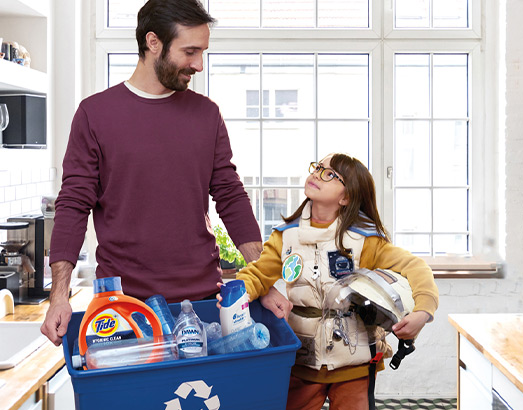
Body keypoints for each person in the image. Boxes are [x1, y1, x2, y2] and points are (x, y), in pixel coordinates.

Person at [40, 0, 290, 347]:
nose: (198, 65)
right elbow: (72, 206)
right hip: (123, 311)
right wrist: (59, 296)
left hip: (203, 304)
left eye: (202, 51)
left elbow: (231, 197)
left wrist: (265, 282)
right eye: (190, 51)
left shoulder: (207, 115)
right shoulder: (95, 115)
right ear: (153, 42)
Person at [224, 153, 439, 410]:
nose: (317, 174)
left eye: (329, 174)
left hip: (354, 366)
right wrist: (237, 295)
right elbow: (258, 274)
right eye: (317, 168)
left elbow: (416, 267)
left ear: (346, 197)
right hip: (301, 362)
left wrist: (423, 312)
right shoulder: (286, 236)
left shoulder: (366, 240)